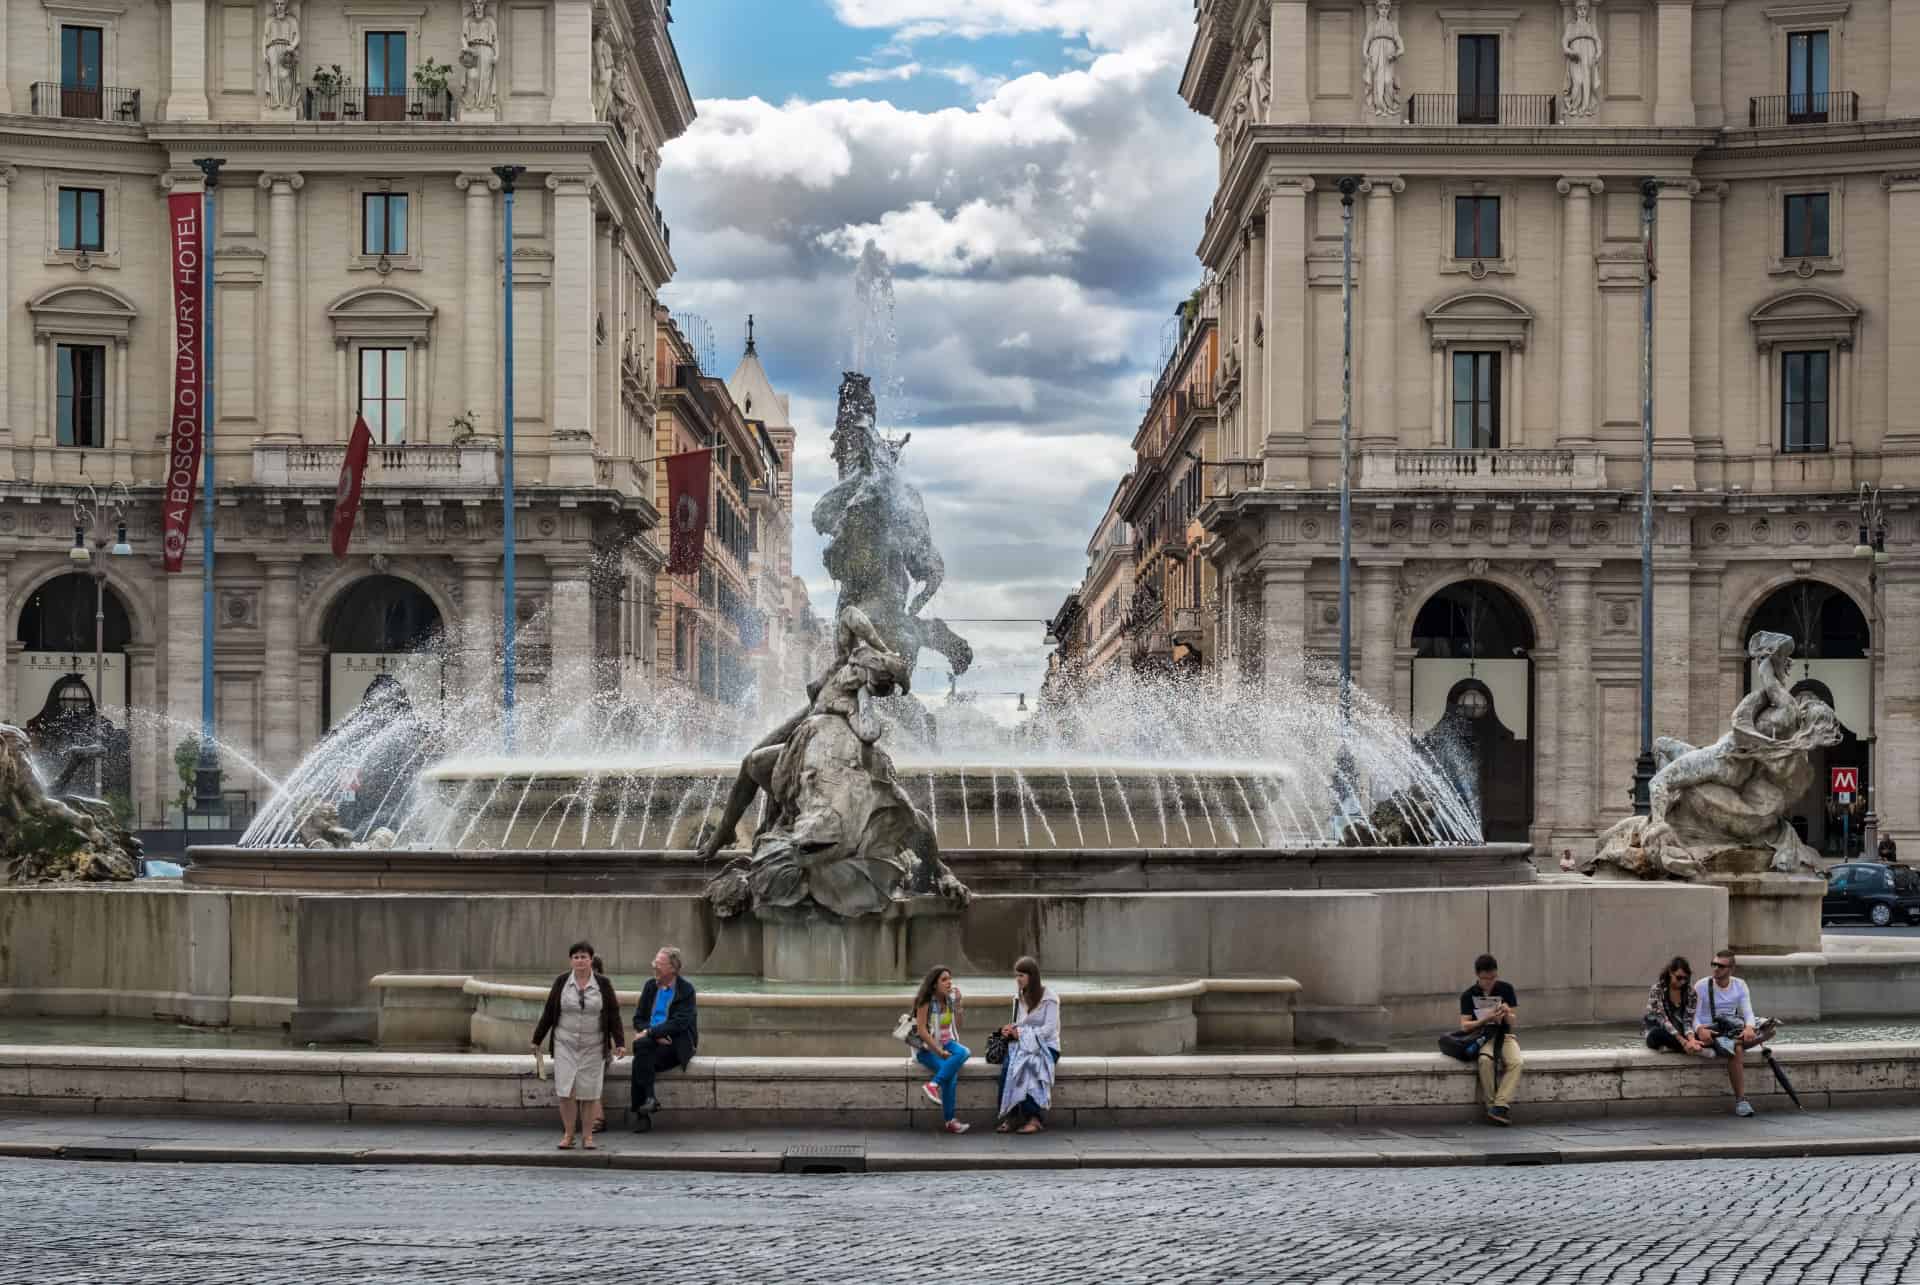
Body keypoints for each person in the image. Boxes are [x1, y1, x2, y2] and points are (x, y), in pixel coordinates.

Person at [530, 940, 625, 1150]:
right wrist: (537, 1039)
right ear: (571, 960)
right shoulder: (561, 982)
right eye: (576, 957)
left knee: (589, 1093)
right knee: (566, 1091)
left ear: (591, 960)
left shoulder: (603, 984)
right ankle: (569, 1134)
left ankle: (588, 1136)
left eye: (584, 957)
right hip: (565, 1044)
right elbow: (549, 1012)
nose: (580, 961)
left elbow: (613, 1013)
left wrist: (619, 1042)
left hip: (593, 1046)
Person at [1692, 949, 1779, 1116]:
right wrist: (1700, 1029)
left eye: (1721, 966)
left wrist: (1749, 1027)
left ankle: (1736, 1041)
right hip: (1710, 1031)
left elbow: (1748, 1012)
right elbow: (1693, 1016)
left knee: (1771, 1029)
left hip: (1731, 1029)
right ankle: (1741, 1101)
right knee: (1737, 1049)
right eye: (1714, 964)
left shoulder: (1740, 984)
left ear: (1731, 969)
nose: (1716, 968)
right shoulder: (1702, 985)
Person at [629, 945, 697, 1131]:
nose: (654, 966)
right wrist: (653, 1035)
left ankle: (642, 1113)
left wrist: (651, 1033)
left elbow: (680, 1023)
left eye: (659, 963)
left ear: (673, 968)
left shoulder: (686, 990)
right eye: (654, 962)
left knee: (640, 1053)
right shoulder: (650, 986)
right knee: (642, 1050)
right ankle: (650, 1099)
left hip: (675, 1044)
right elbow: (638, 1019)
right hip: (653, 1042)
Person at [995, 955, 1060, 1134]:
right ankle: (1011, 1115)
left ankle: (1034, 1119)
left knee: (1029, 1065)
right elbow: (1018, 1023)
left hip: (1047, 1046)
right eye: (1016, 975)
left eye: (1021, 975)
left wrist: (1022, 1034)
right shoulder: (1018, 998)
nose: (1018, 979)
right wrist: (1010, 1030)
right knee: (1009, 1067)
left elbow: (1049, 1029)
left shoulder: (1050, 998)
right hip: (1022, 1044)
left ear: (1032, 976)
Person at [1460, 953, 1522, 1125]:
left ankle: (1500, 1105)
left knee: (1517, 1062)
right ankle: (1491, 1106)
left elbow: (1513, 1022)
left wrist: (1507, 1012)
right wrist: (1486, 1019)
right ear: (1477, 975)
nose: (1490, 982)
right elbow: (1464, 1026)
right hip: (1483, 1036)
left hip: (1505, 1035)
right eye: (1486, 979)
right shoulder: (1468, 995)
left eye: (1493, 977)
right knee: (1485, 1060)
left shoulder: (1506, 989)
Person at [913, 964, 971, 1134]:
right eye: (944, 979)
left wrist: (958, 1004)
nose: (949, 982)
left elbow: (958, 1026)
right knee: (950, 1075)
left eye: (950, 979)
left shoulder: (949, 1000)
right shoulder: (924, 1001)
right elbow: (922, 1031)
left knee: (965, 1052)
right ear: (934, 984)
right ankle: (950, 1121)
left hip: (947, 1042)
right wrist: (938, 1051)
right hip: (927, 1048)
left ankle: (933, 1084)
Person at [1643, 956, 1707, 1055]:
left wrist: (1691, 1039)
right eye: (1679, 977)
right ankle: (1690, 1048)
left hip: (1681, 1031)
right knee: (1655, 1034)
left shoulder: (1691, 992)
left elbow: (1688, 1020)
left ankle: (1690, 1046)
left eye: (1685, 978)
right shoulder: (1657, 989)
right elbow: (1662, 1019)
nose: (1682, 981)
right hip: (1662, 1030)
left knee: (1706, 1033)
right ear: (1670, 973)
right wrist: (1683, 1042)